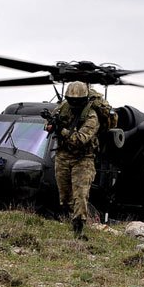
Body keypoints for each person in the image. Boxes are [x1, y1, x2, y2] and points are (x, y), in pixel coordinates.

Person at [46, 81, 100, 240]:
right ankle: (68, 221)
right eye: (71, 100)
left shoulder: (91, 115)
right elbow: (48, 126)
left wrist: (60, 130)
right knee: (65, 195)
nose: (73, 103)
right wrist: (50, 125)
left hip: (83, 158)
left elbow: (80, 139)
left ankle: (79, 229)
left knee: (80, 194)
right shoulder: (62, 108)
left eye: (77, 101)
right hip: (63, 155)